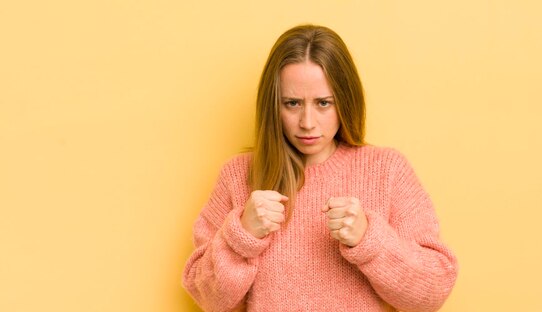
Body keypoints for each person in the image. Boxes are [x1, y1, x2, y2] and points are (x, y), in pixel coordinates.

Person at [182, 24, 458, 312]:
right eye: (292, 103)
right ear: (272, 105)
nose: (308, 122)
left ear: (345, 101)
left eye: (324, 103)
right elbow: (207, 299)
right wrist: (241, 234)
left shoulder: (387, 170)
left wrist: (371, 240)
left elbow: (432, 293)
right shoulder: (238, 176)